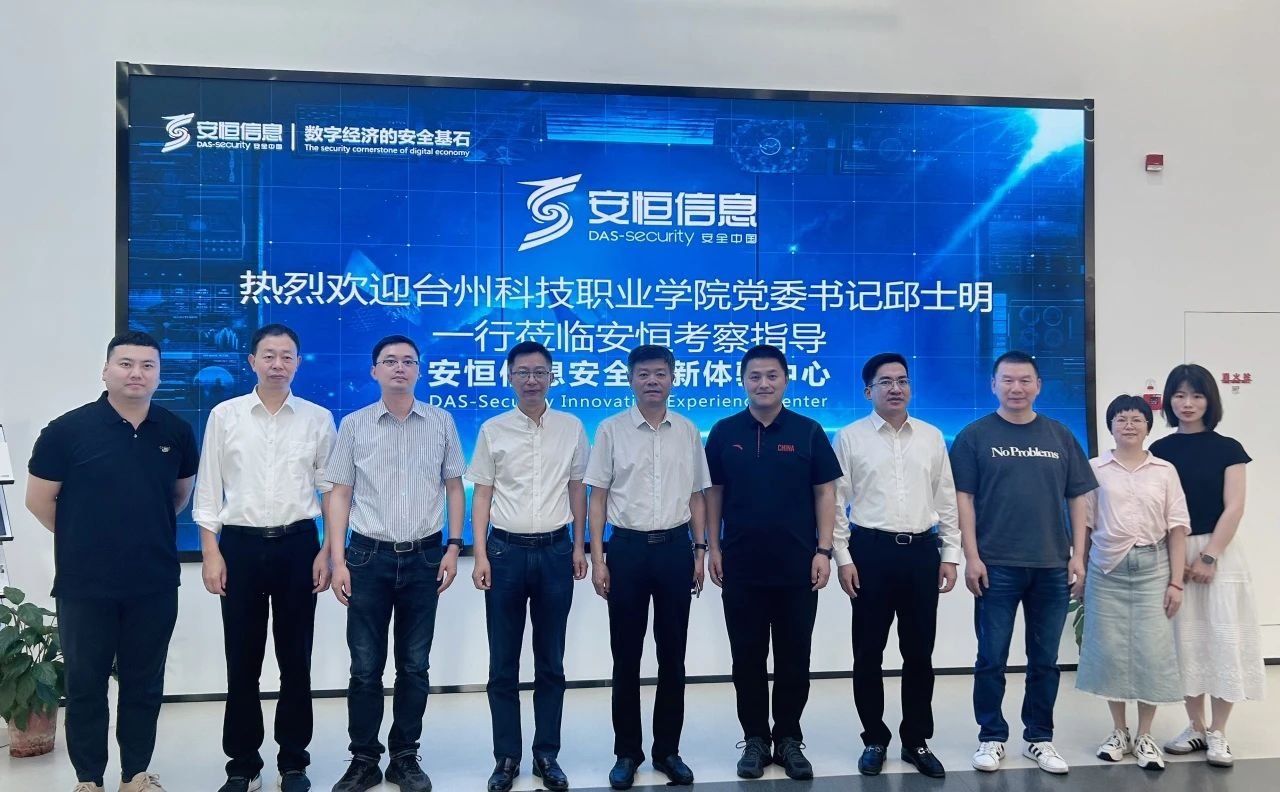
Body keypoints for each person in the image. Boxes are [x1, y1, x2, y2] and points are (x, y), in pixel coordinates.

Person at [26, 332, 198, 792]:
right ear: (105, 370)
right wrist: (87, 539)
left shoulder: (176, 431)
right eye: (125, 363)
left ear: (159, 375)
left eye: (147, 365)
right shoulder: (66, 431)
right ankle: (89, 779)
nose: (136, 373)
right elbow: (39, 501)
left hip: (154, 582)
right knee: (85, 685)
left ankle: (135, 775)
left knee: (144, 684)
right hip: (85, 585)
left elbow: (178, 497)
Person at [193, 323, 337, 792]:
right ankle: (243, 764)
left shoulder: (317, 418)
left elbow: (330, 491)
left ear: (298, 362)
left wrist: (327, 551)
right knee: (242, 660)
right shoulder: (226, 415)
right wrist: (211, 553)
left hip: (299, 546)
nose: (278, 364)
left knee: (296, 660)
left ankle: (293, 762)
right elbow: (208, 491)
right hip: (239, 547)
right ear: (252, 361)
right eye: (269, 355)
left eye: (287, 356)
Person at [323, 335, 467, 792]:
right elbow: (340, 493)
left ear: (419, 370)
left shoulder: (441, 421)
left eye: (408, 361)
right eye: (390, 361)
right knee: (365, 667)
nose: (399, 368)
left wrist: (453, 547)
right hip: (367, 557)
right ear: (375, 371)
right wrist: (338, 559)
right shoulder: (354, 425)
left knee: (414, 665)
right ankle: (364, 759)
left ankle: (405, 756)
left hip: (425, 556)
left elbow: (455, 487)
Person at [949, 350, 1096, 775]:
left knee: (1044, 660)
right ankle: (991, 736)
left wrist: (1078, 555)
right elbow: (963, 500)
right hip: (996, 565)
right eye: (1008, 380)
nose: (1016, 388)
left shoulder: (1060, 435)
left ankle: (1039, 738)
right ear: (993, 385)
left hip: (1052, 564)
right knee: (991, 658)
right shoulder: (974, 436)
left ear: (1038, 386)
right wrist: (971, 556)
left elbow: (1078, 498)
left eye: (1025, 380)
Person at [704, 344, 842, 781]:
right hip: (741, 566)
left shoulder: (808, 431)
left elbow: (825, 493)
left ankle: (788, 738)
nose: (763, 383)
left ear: (785, 380)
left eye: (771, 376)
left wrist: (824, 550)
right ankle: (755, 739)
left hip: (797, 567)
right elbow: (713, 493)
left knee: (793, 657)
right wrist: (713, 548)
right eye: (755, 376)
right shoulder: (724, 432)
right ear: (742, 381)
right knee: (746, 658)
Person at [584, 345, 710, 790]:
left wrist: (700, 551)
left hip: (675, 549)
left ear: (673, 379)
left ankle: (668, 751)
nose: (652, 380)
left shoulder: (688, 430)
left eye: (660, 373)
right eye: (644, 374)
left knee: (673, 654)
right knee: (626, 656)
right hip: (628, 551)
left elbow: (696, 495)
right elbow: (597, 497)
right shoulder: (610, 430)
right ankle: (627, 752)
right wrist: (598, 558)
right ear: (631, 380)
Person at [468, 341, 589, 792]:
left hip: (556, 551)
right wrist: (480, 554)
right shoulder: (493, 429)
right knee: (503, 662)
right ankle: (506, 757)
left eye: (540, 372)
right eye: (523, 372)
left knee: (551, 661)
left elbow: (577, 488)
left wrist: (580, 547)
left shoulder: (571, 427)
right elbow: (482, 493)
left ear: (551, 377)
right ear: (510, 377)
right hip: (505, 553)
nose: (532, 380)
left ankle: (546, 754)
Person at [832, 352, 959, 779]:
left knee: (919, 652)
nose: (895, 388)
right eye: (885, 382)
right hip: (871, 552)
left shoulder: (931, 436)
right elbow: (836, 503)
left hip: (922, 552)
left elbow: (946, 499)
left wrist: (950, 554)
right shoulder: (849, 437)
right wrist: (843, 557)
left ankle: (916, 740)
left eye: (902, 380)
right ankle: (874, 738)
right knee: (868, 653)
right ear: (868, 390)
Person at [1150, 363, 1264, 768]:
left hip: (1220, 551)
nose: (1188, 403)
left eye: (1196, 395)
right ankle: (1195, 726)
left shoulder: (1229, 448)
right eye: (1179, 395)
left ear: (1209, 400)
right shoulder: (1159, 451)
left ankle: (1219, 732)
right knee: (1186, 641)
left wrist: (1210, 556)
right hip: (1174, 550)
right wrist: (1176, 558)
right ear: (1169, 401)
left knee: (1221, 639)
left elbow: (1235, 507)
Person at [1075, 395, 1189, 772]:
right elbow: (1085, 524)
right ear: (1110, 426)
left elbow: (1177, 527)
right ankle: (1119, 732)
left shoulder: (1164, 470)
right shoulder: (1094, 469)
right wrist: (1080, 569)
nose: (1128, 425)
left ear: (1148, 427)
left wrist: (1176, 582)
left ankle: (1145, 735)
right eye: (1121, 418)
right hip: (1107, 567)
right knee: (1110, 651)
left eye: (1137, 419)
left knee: (1151, 652)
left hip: (1154, 567)